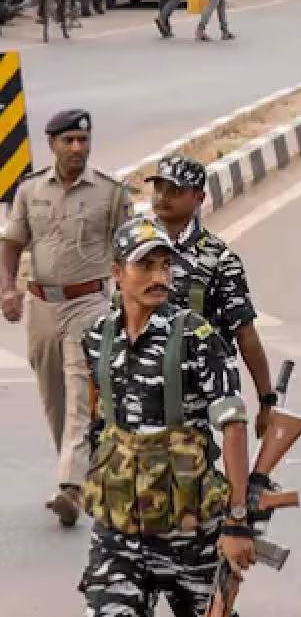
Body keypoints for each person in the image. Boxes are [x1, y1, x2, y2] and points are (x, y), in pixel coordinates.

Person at [77, 217, 256, 615]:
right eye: (146, 266)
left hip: (188, 534)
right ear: (118, 274)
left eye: (165, 265)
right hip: (119, 535)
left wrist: (238, 520)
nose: (159, 276)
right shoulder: (97, 338)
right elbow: (99, 425)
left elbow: (233, 425)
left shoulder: (197, 337)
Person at [0, 108, 130, 527]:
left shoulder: (110, 193)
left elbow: (130, 250)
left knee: (80, 394)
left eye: (83, 141)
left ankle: (69, 487)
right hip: (41, 305)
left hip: (89, 304)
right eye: (68, 141)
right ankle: (76, 477)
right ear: (52, 143)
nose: (77, 148)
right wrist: (8, 289)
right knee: (53, 396)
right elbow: (11, 243)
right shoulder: (30, 190)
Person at [147, 155, 276, 437]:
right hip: (142, 387)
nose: (163, 197)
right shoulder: (135, 248)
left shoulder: (218, 259)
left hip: (196, 395)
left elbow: (245, 334)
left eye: (175, 190)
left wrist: (266, 399)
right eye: (159, 188)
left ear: (198, 197)